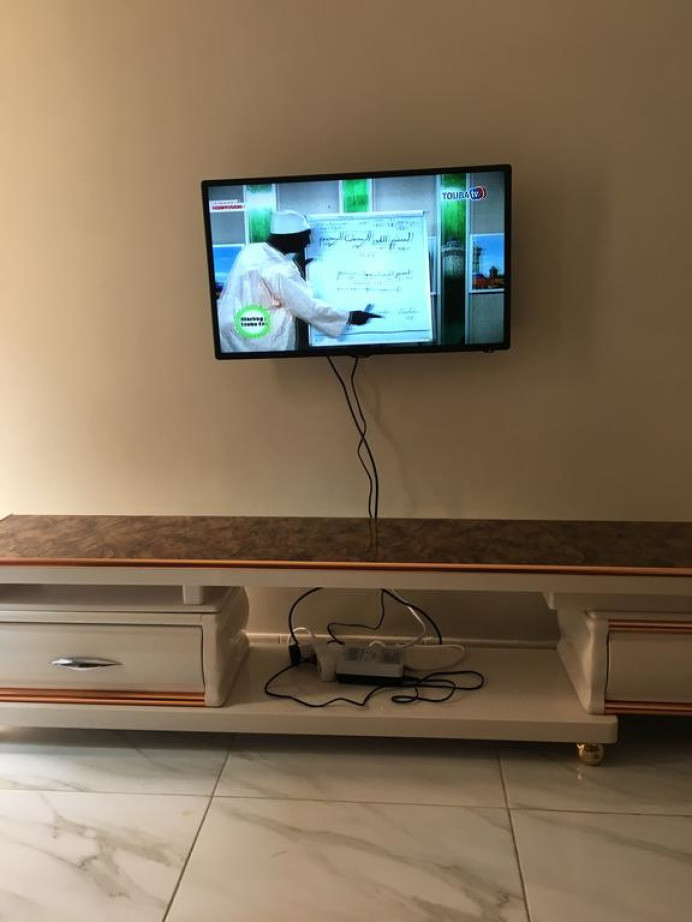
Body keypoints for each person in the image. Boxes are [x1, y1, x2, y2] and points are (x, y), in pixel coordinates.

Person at [216, 211, 379, 352]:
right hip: (261, 343)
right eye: (305, 236)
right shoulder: (281, 270)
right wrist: (349, 316)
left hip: (232, 334)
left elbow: (263, 287)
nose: (309, 242)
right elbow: (307, 307)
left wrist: (295, 266)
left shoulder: (251, 251)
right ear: (289, 237)